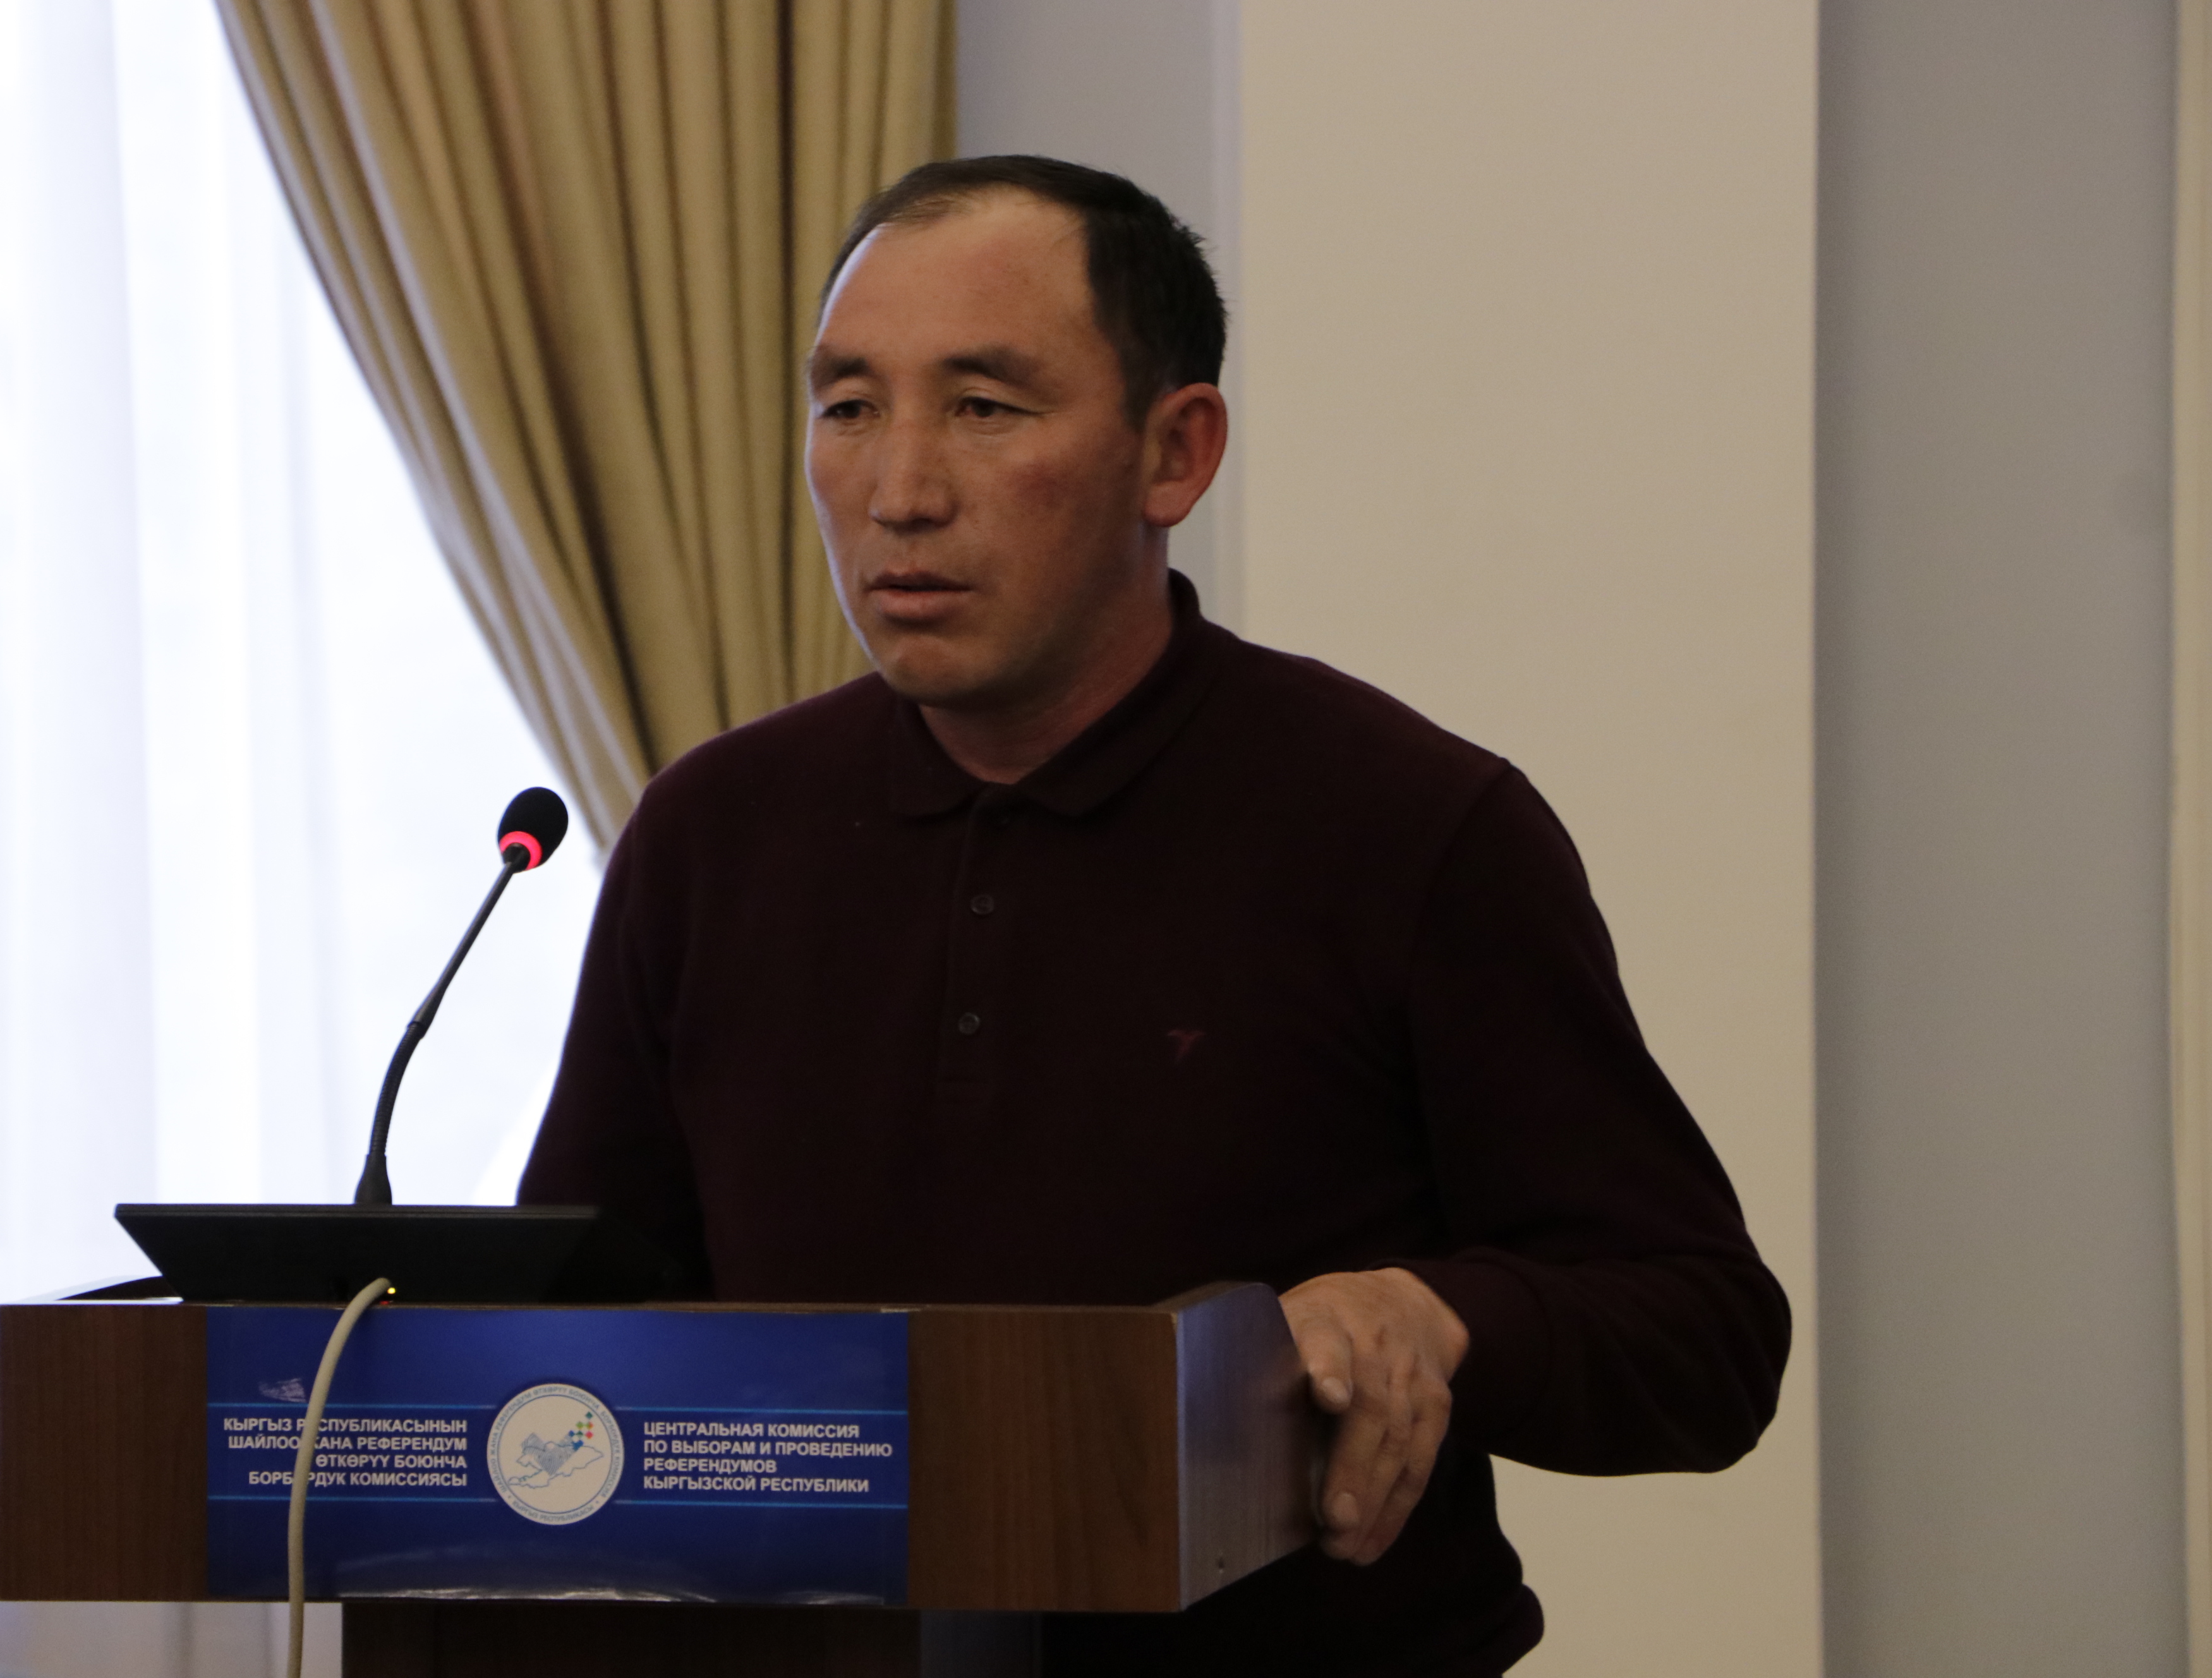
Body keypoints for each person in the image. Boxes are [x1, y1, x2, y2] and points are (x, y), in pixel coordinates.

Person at [522, 155, 1790, 1677]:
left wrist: (1439, 1314)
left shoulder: (1410, 824)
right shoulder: (713, 830)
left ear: (1173, 453)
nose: (900, 488)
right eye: (848, 406)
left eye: (983, 407)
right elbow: (567, 1323)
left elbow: (1705, 1337)